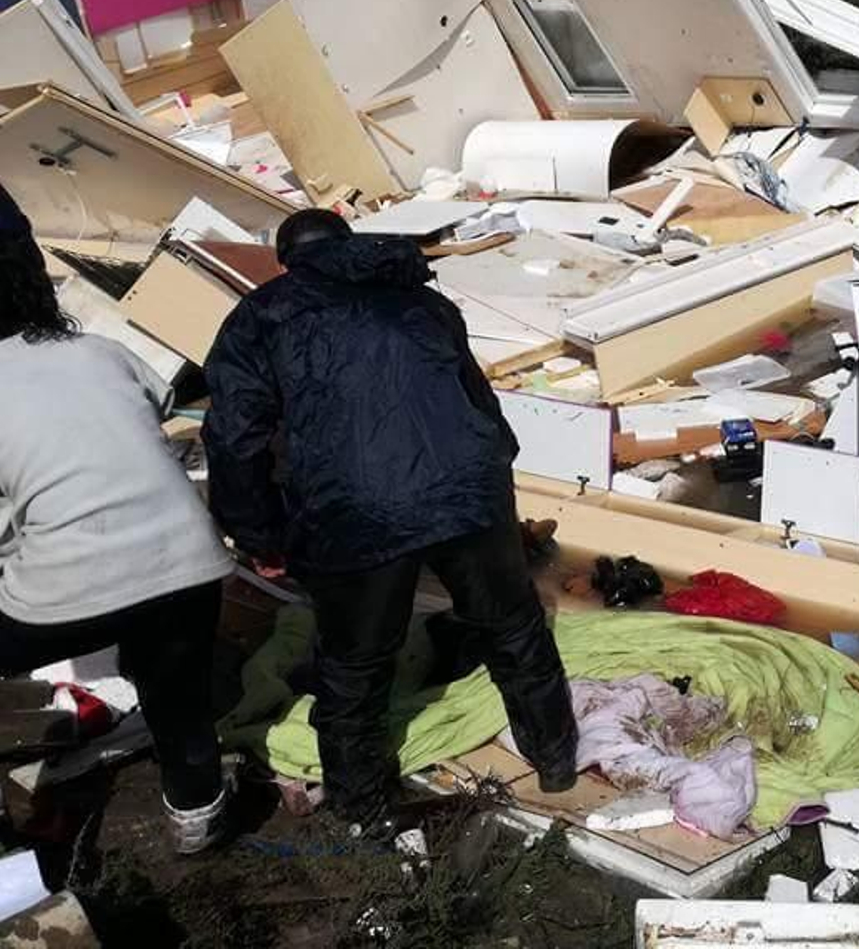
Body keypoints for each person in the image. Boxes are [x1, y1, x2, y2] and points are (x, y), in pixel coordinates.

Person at [203, 209, 578, 834]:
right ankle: (556, 760)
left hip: (355, 505)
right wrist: (491, 483)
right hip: (466, 486)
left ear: (287, 259)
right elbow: (480, 405)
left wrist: (258, 532)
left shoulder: (260, 316)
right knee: (514, 629)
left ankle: (363, 809)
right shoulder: (422, 303)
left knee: (355, 668)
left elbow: (234, 437)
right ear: (351, 248)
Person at [0, 185, 232, 853]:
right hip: (190, 564)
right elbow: (147, 413)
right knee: (178, 694)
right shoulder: (99, 352)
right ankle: (198, 822)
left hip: (68, 590)